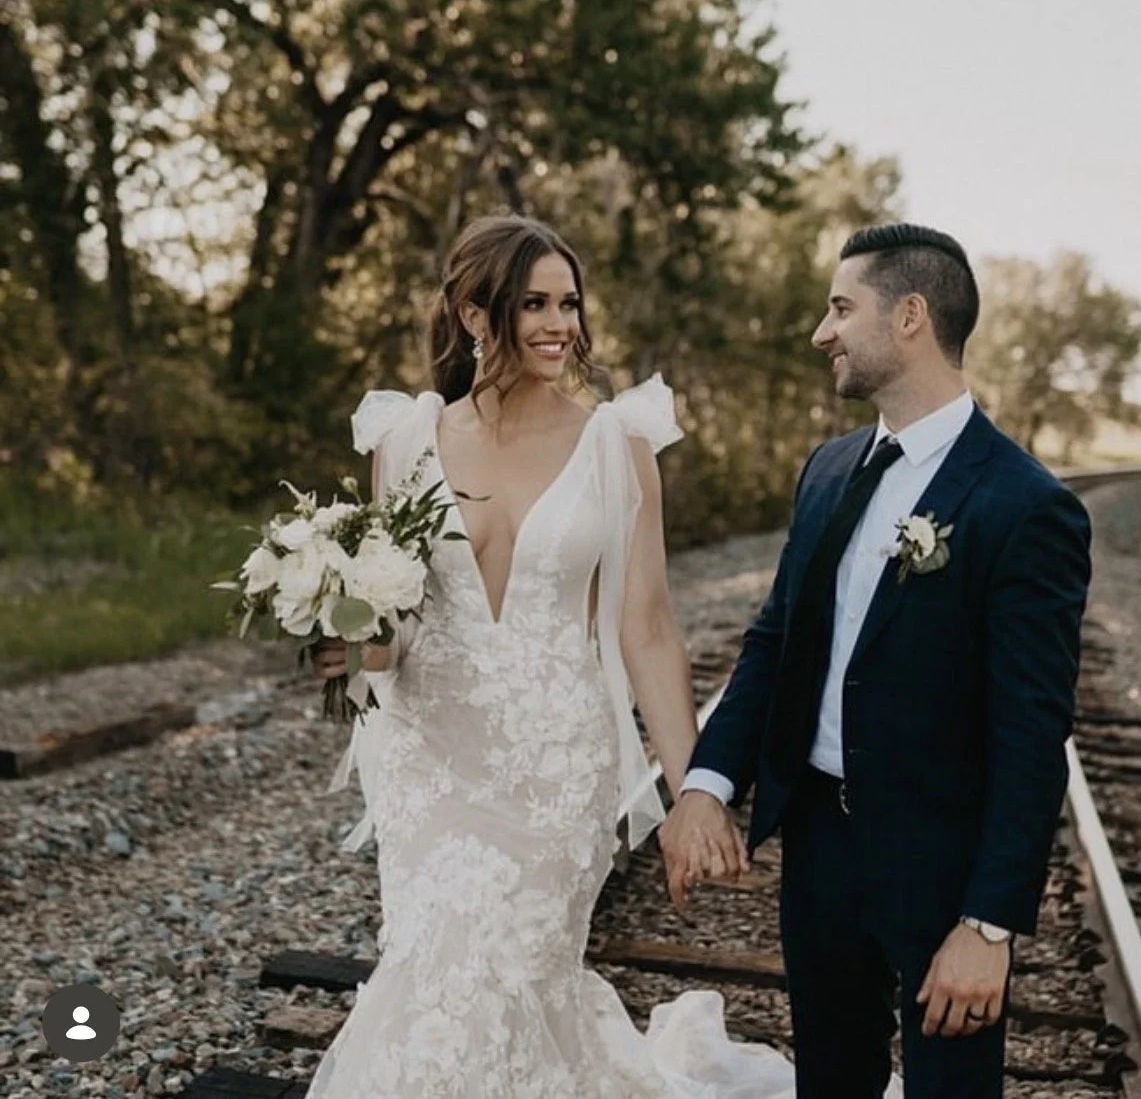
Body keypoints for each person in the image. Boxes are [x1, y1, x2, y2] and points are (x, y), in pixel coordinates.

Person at [305, 214, 802, 1096]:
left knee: (508, 978)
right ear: (471, 312)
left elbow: (645, 626)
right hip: (429, 766)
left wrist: (695, 792)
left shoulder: (618, 443)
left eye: (567, 303)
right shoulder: (403, 439)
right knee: (435, 976)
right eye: (531, 303)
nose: (557, 325)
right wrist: (345, 638)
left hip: (554, 772)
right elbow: (388, 636)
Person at [660, 223, 1093, 1099]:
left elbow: (1030, 732)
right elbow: (774, 642)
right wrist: (705, 783)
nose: (822, 333)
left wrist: (990, 924)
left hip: (940, 867)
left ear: (907, 316)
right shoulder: (826, 470)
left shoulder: (1025, 506)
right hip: (817, 844)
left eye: (838, 308)